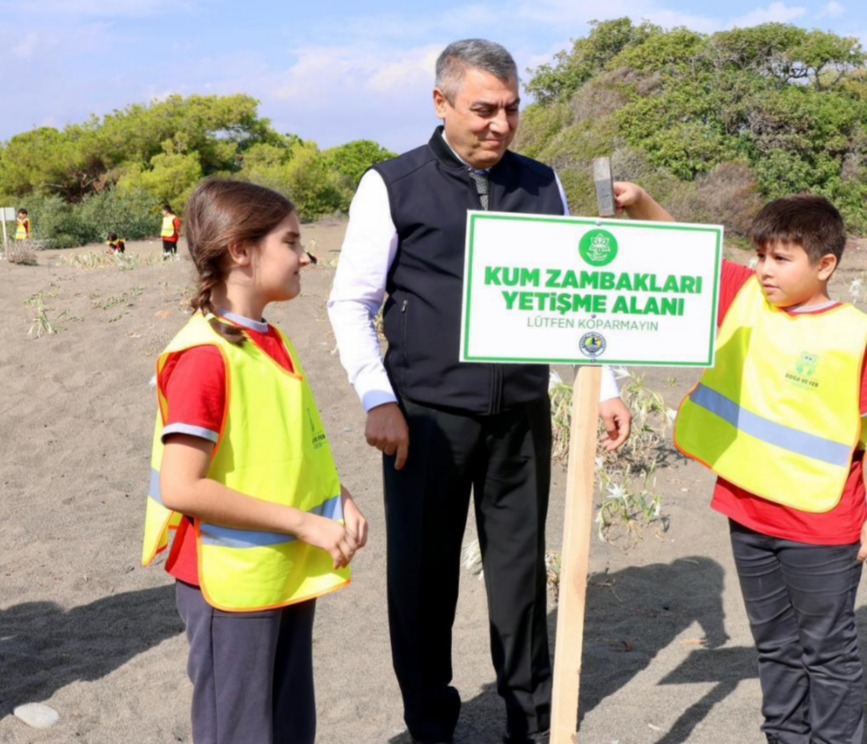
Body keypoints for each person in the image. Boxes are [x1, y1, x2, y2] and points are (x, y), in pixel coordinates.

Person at [324, 38, 630, 744]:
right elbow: (351, 303)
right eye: (484, 109)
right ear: (441, 103)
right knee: (424, 580)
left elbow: (571, 297)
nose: (500, 124)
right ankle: (431, 722)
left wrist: (603, 384)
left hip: (521, 414)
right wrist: (379, 398)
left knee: (521, 575)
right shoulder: (391, 184)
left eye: (512, 109)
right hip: (424, 419)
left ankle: (528, 719)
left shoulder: (541, 182)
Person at [624, 186, 867, 744]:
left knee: (826, 650)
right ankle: (784, 736)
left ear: (825, 264)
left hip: (822, 522)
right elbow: (689, 251)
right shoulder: (746, 295)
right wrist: (640, 201)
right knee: (775, 644)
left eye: (781, 258)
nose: (764, 269)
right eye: (759, 255)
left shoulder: (855, 334)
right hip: (749, 510)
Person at [144, 178, 369, 744]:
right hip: (228, 581)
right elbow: (182, 488)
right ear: (239, 251)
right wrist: (304, 522)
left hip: (282, 569)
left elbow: (290, 442)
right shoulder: (203, 356)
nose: (305, 256)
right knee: (240, 731)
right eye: (291, 242)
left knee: (289, 724)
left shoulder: (270, 338)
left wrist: (340, 498)